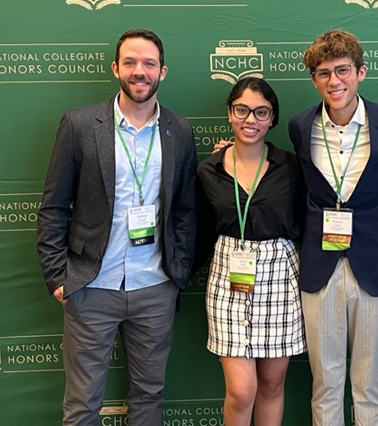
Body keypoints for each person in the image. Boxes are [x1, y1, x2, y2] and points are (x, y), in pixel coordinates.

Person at [37, 28, 197, 426]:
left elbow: (185, 211)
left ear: (163, 71)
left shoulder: (180, 131)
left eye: (148, 63)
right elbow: (54, 206)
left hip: (155, 287)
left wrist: (178, 274)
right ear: (115, 68)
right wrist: (59, 276)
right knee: (82, 403)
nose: (138, 71)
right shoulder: (78, 125)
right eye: (130, 62)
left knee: (148, 397)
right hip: (91, 285)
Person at [288, 30, 378, 426]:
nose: (333, 81)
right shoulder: (299, 126)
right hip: (319, 267)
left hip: (375, 265)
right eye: (323, 74)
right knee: (325, 382)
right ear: (314, 80)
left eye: (342, 70)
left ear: (361, 71)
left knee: (368, 382)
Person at [197, 77, 306, 426]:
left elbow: (306, 220)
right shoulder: (208, 169)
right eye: (242, 110)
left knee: (272, 384)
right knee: (242, 390)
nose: (251, 119)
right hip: (228, 277)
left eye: (261, 112)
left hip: (279, 276)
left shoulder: (290, 167)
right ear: (230, 113)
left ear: (272, 118)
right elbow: (197, 229)